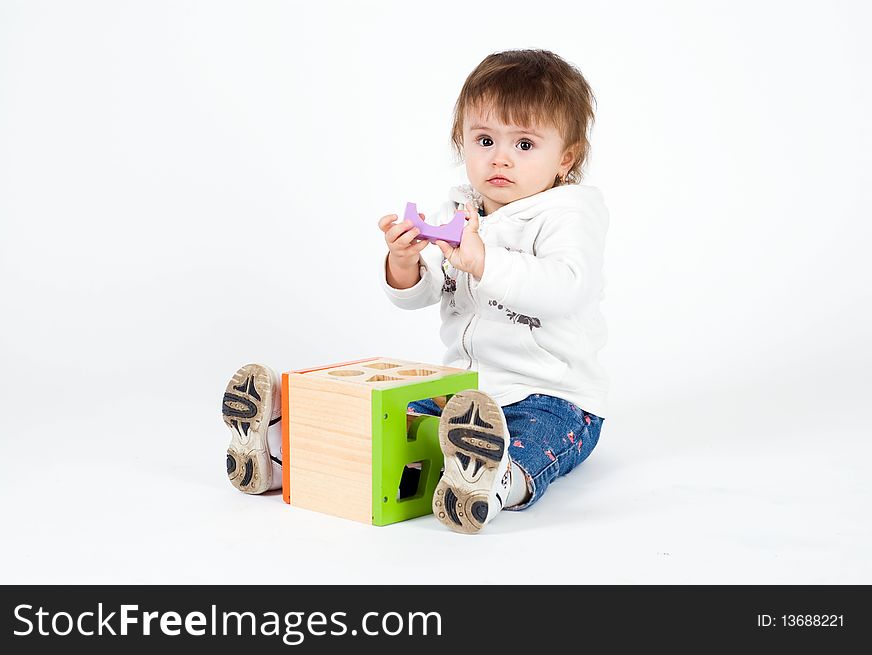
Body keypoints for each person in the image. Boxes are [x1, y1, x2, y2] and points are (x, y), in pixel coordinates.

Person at [221, 49, 608, 536]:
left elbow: (566, 288)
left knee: (530, 439)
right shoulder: (460, 209)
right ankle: (281, 456)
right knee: (395, 424)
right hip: (463, 395)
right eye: (484, 139)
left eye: (525, 144)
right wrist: (403, 262)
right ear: (460, 143)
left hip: (553, 395)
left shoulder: (569, 213)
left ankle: (492, 483)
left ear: (565, 159)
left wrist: (482, 261)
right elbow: (418, 294)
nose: (500, 158)